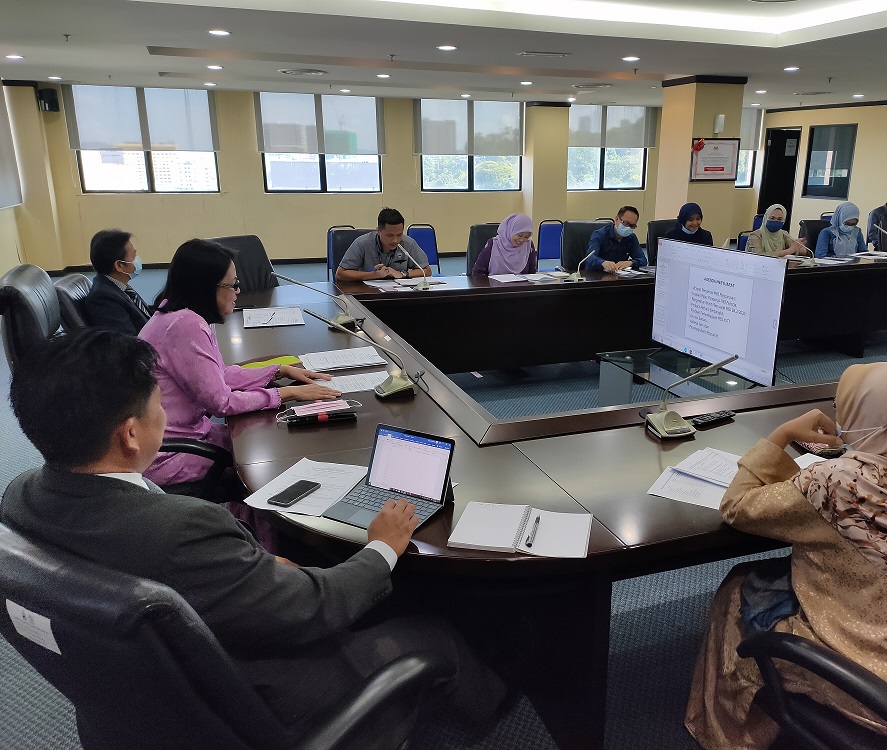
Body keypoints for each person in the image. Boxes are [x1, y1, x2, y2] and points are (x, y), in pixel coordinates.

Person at [0, 329, 508, 738]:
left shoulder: (21, 495)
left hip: (132, 699)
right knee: (436, 635)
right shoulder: (182, 530)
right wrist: (383, 547)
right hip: (257, 701)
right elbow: (314, 607)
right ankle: (496, 712)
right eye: (159, 405)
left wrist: (252, 572)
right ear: (131, 434)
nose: (165, 414)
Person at [686, 362, 887, 750]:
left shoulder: (835, 484)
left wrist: (782, 435)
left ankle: (725, 736)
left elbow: (738, 506)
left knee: (737, 591)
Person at [139, 239, 337, 487]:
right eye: (232, 284)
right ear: (206, 287)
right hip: (167, 455)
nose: (238, 291)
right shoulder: (184, 326)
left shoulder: (179, 315)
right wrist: (288, 393)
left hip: (187, 436)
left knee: (270, 434)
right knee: (273, 463)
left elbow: (220, 375)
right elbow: (222, 402)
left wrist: (279, 370)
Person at [83, 229, 152, 335]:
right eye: (134, 256)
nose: (137, 259)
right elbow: (126, 340)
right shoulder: (103, 299)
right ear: (119, 265)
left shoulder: (119, 287)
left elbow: (143, 314)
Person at [336, 208, 432, 281]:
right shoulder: (362, 243)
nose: (395, 240)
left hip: (399, 293)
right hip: (368, 292)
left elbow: (427, 271)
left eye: (399, 235)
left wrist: (402, 274)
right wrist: (373, 275)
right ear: (378, 231)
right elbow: (340, 274)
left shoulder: (408, 243)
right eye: (390, 235)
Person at [583, 205, 647, 272]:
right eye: (626, 223)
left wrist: (631, 263)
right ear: (616, 219)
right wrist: (603, 263)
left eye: (632, 226)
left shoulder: (631, 238)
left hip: (618, 275)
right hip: (596, 274)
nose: (628, 228)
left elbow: (643, 260)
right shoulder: (599, 234)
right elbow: (589, 258)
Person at [471, 213, 538, 276]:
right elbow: (477, 273)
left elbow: (532, 274)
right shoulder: (493, 244)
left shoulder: (528, 246)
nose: (522, 240)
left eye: (526, 237)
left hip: (521, 284)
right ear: (511, 230)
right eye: (520, 235)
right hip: (494, 284)